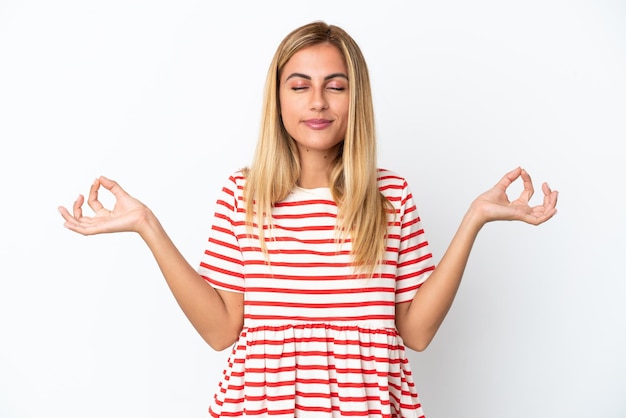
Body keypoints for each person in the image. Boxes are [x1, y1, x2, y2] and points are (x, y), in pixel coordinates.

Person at [58, 21, 558, 418]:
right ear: (278, 99)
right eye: (300, 86)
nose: (317, 101)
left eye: (334, 87)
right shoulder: (243, 194)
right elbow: (220, 331)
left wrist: (474, 218)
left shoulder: (390, 195)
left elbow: (416, 332)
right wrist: (147, 224)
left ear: (353, 99)